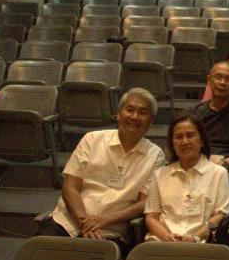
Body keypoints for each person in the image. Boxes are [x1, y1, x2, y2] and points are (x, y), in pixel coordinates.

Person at [43, 88, 165, 238]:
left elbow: (144, 203)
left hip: (112, 230)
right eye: (130, 110)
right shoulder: (92, 139)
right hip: (68, 223)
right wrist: (85, 223)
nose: (134, 116)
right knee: (39, 251)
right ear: (118, 114)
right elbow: (70, 186)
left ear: (151, 121)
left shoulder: (156, 156)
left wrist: (105, 220)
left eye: (142, 112)